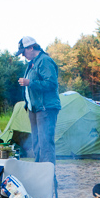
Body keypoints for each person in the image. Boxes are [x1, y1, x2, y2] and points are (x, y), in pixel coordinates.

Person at [16, 36, 60, 164]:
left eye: (23, 52)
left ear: (31, 47)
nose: (23, 55)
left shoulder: (44, 61)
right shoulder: (33, 63)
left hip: (46, 108)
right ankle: (39, 171)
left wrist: (30, 82)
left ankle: (48, 175)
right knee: (36, 143)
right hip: (35, 108)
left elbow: (52, 84)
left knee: (45, 144)